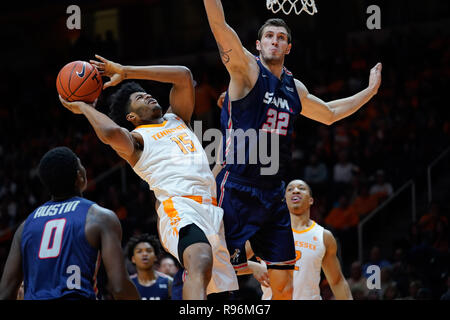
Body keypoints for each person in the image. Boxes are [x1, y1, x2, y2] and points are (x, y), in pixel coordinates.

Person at [202, 0, 382, 299]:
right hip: (237, 186)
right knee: (216, 276)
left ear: (288, 48)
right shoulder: (245, 69)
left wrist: (369, 91)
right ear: (258, 44)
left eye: (281, 38)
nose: (275, 40)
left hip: (274, 192)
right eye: (270, 36)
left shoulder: (293, 88)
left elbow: (329, 113)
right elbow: (219, 26)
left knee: (283, 285)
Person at [59, 55, 238, 300]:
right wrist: (84, 107)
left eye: (144, 93)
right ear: (132, 118)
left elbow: (184, 75)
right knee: (200, 261)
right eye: (138, 99)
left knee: (219, 291)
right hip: (179, 207)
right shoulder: (137, 140)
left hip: (211, 210)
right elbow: (110, 132)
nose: (146, 96)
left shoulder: (177, 118)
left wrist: (126, 70)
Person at [0, 147, 139, 300]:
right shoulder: (99, 217)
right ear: (79, 176)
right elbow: (119, 287)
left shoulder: (25, 226)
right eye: (80, 165)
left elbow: (6, 293)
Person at [245, 179, 353, 300]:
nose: (295, 191)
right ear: (284, 200)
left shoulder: (324, 236)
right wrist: (252, 266)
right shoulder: (265, 233)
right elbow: (229, 262)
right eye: (290, 189)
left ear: (311, 200)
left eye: (301, 188)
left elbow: (337, 282)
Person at [126, 233, 172, 300]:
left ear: (155, 257)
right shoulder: (128, 284)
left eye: (149, 251)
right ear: (133, 259)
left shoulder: (169, 282)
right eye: (139, 251)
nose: (144, 254)